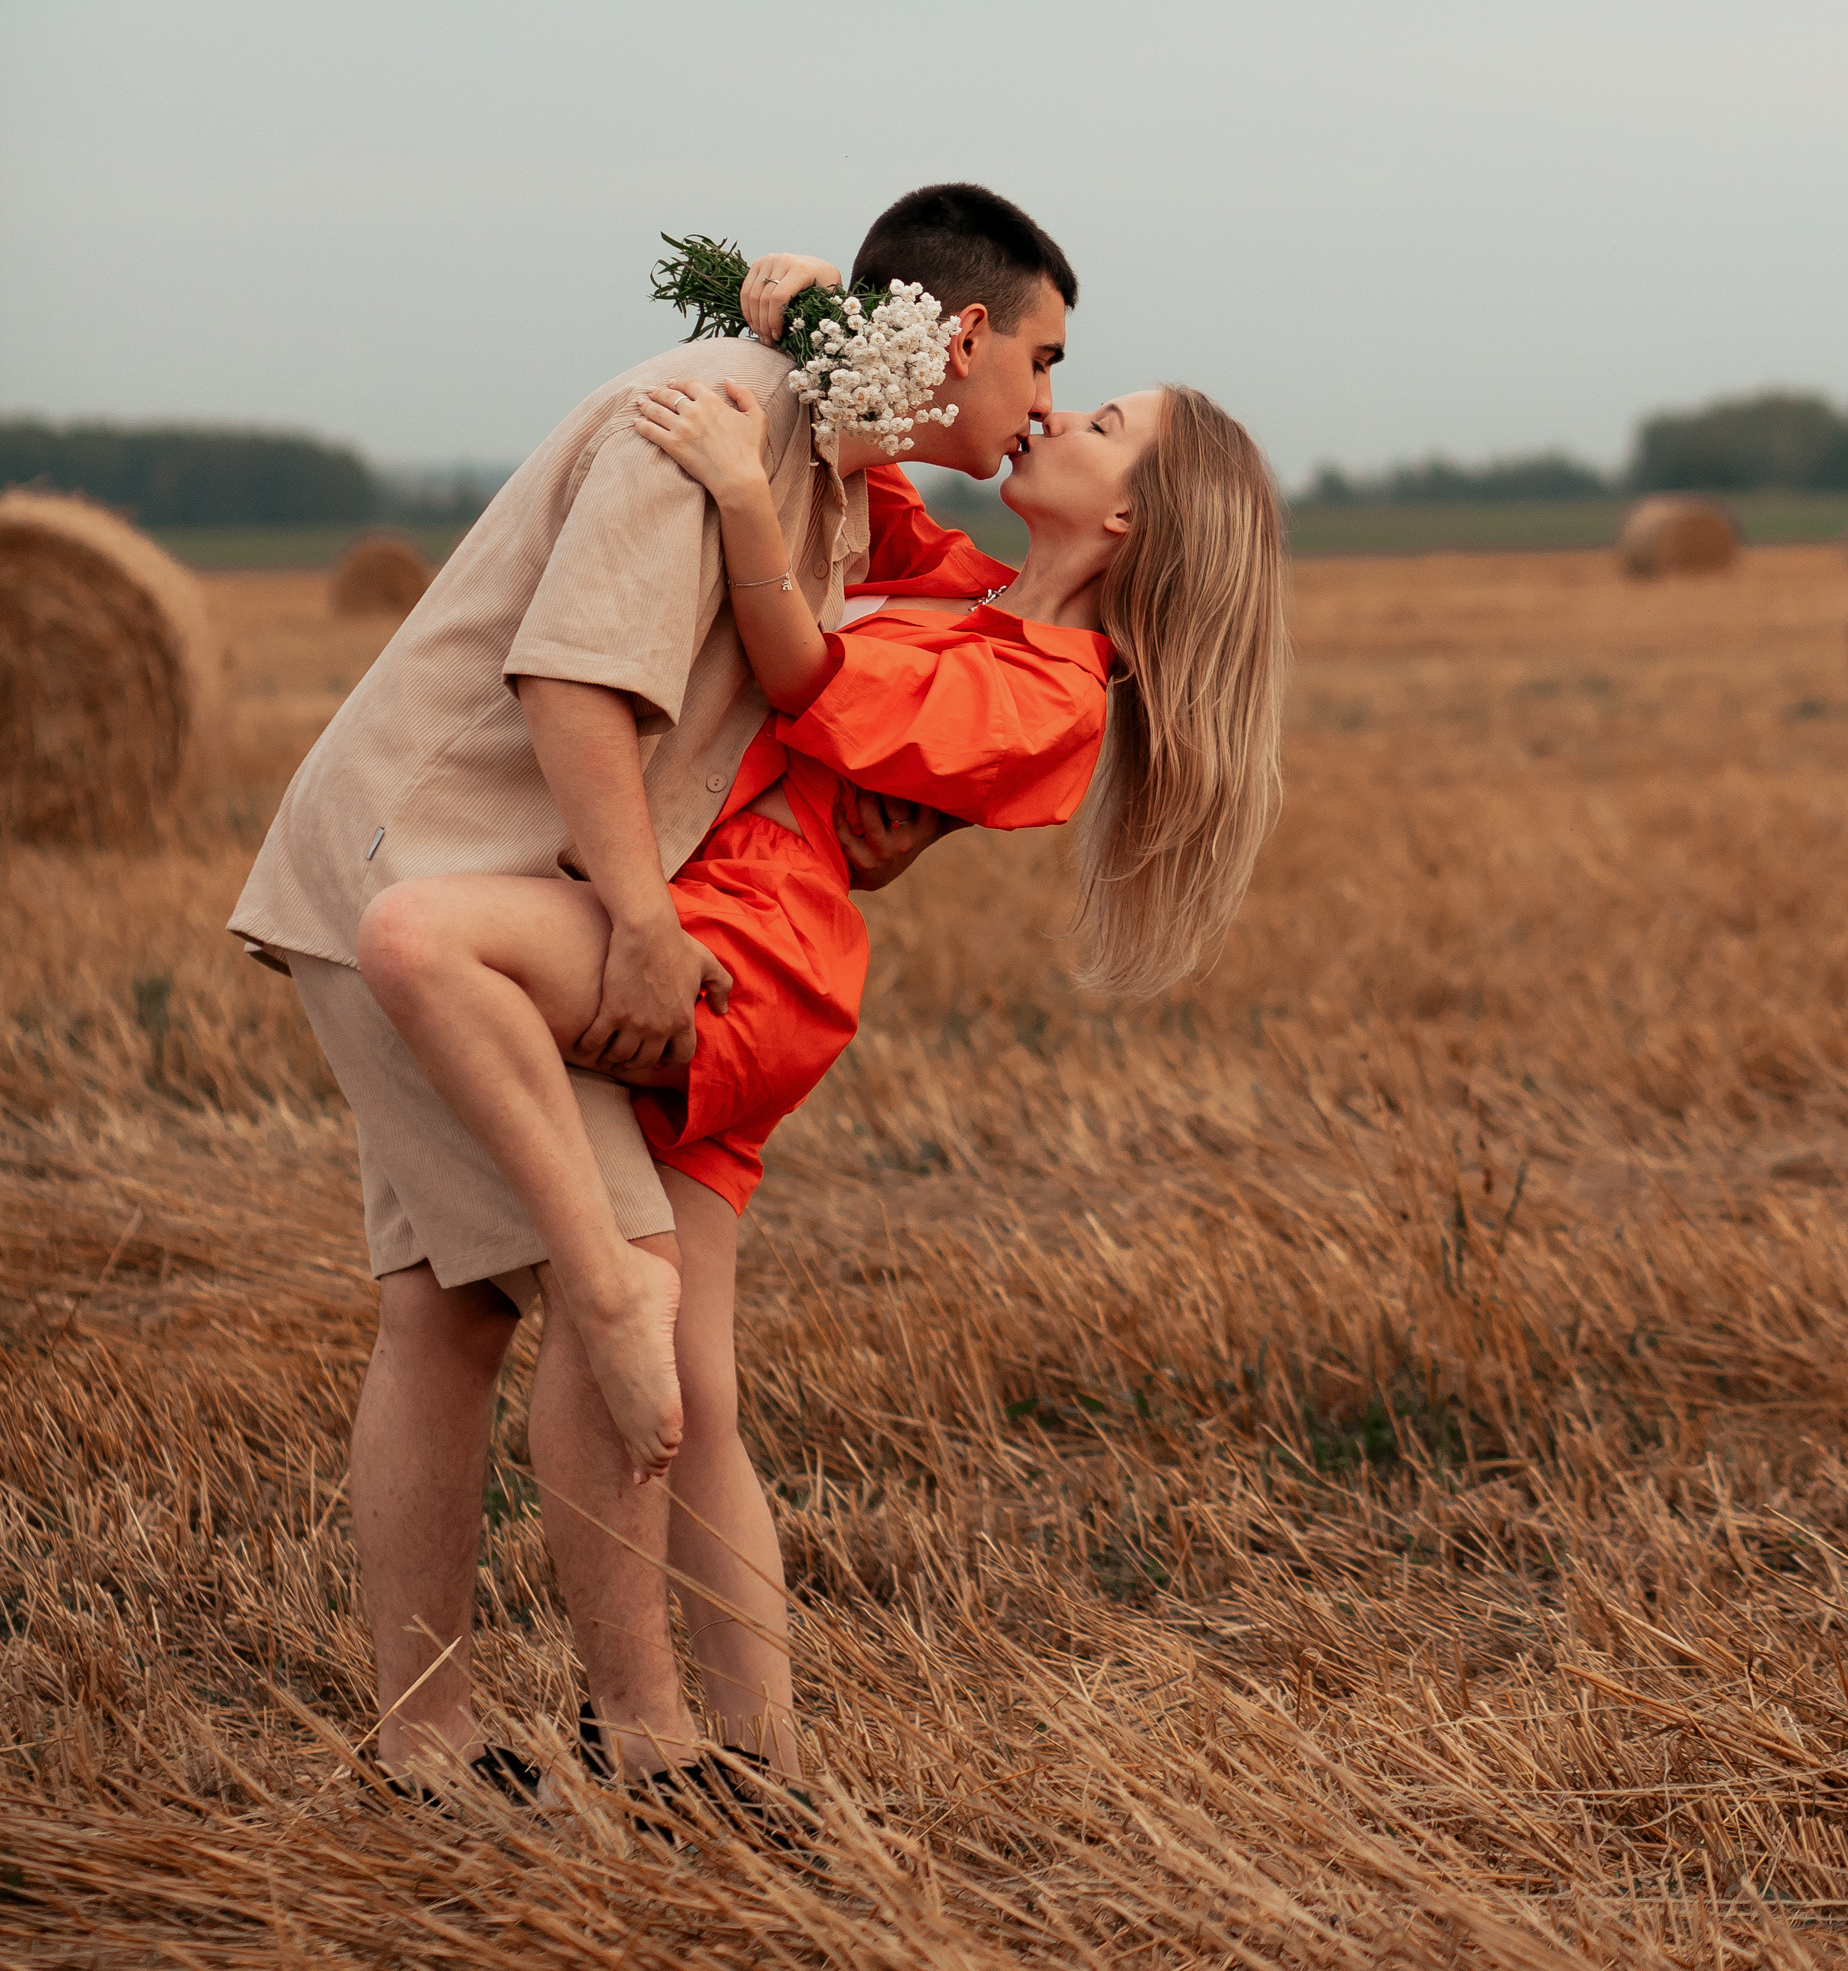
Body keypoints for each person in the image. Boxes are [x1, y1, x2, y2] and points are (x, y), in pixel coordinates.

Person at [229, 183, 1076, 1804]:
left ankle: (425, 1747)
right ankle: (656, 1743)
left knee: (449, 1311)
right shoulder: (717, 420)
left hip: (464, 894)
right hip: (428, 880)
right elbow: (574, 674)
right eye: (1044, 358)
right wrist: (633, 921)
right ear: (962, 334)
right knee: (619, 1285)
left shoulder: (828, 471)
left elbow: (809, 686)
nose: (1043, 401)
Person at [354, 372, 1288, 1783]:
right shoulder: (976, 591)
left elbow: (809, 673)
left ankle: (596, 1272)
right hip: (747, 940)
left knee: (422, 936)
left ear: (1132, 514)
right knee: (705, 1402)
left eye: (1101, 425)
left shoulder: (1050, 697)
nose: (1063, 413)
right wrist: (809, 338)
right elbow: (859, 488)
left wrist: (736, 493)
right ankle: (763, 1768)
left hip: (750, 958)